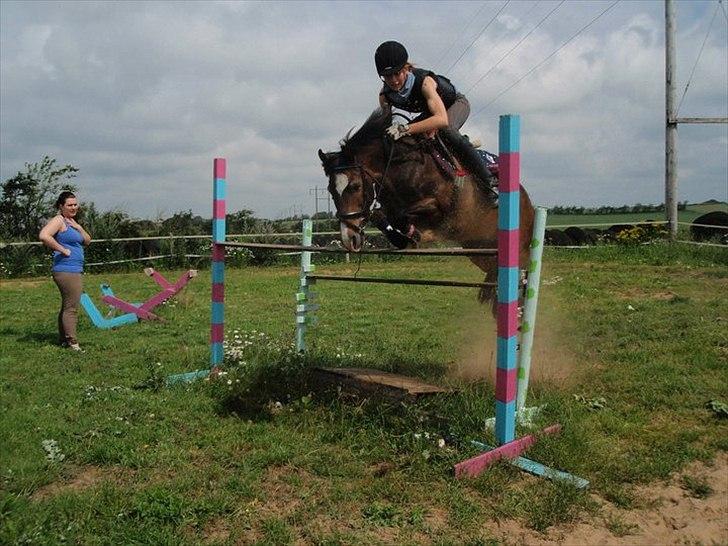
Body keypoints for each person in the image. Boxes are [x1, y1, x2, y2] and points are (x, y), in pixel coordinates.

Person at [372, 40, 496, 247]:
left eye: (397, 73)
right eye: (387, 76)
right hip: (427, 114)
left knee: (447, 131)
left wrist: (405, 129)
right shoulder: (385, 95)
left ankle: (488, 183)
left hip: (453, 106)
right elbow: (385, 125)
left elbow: (440, 119)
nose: (393, 80)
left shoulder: (425, 82)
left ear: (407, 68)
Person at [39, 191, 92, 351]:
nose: (74, 207)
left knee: (67, 306)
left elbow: (87, 241)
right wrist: (62, 249)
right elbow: (44, 235)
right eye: (69, 205)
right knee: (71, 307)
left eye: (75, 204)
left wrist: (79, 227)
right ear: (61, 206)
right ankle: (72, 343)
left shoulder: (72, 222)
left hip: (74, 269)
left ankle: (64, 340)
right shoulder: (59, 220)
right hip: (66, 270)